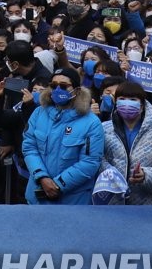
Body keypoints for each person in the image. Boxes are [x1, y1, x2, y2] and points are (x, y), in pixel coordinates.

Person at [22, 68, 104, 205]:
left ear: (77, 90)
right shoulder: (38, 113)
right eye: (54, 86)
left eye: (64, 86)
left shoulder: (91, 122)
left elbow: (90, 162)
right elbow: (29, 147)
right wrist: (42, 177)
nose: (57, 89)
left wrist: (59, 185)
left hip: (72, 200)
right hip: (38, 195)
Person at [99, 82, 152, 205]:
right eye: (122, 99)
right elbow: (95, 158)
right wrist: (109, 173)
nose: (127, 103)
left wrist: (145, 175)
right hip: (111, 204)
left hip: (146, 208)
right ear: (116, 103)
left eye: (132, 99)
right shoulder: (103, 129)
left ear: (142, 106)